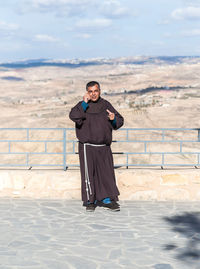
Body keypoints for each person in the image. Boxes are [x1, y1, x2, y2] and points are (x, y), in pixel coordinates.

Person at [69, 81, 124, 212]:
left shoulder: (105, 104)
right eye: (90, 91)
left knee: (106, 174)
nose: (93, 94)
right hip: (87, 147)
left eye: (96, 91)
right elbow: (74, 116)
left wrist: (113, 119)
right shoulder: (82, 105)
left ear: (100, 91)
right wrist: (84, 103)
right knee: (89, 174)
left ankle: (107, 200)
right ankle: (90, 200)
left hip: (103, 147)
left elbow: (120, 120)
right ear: (87, 92)